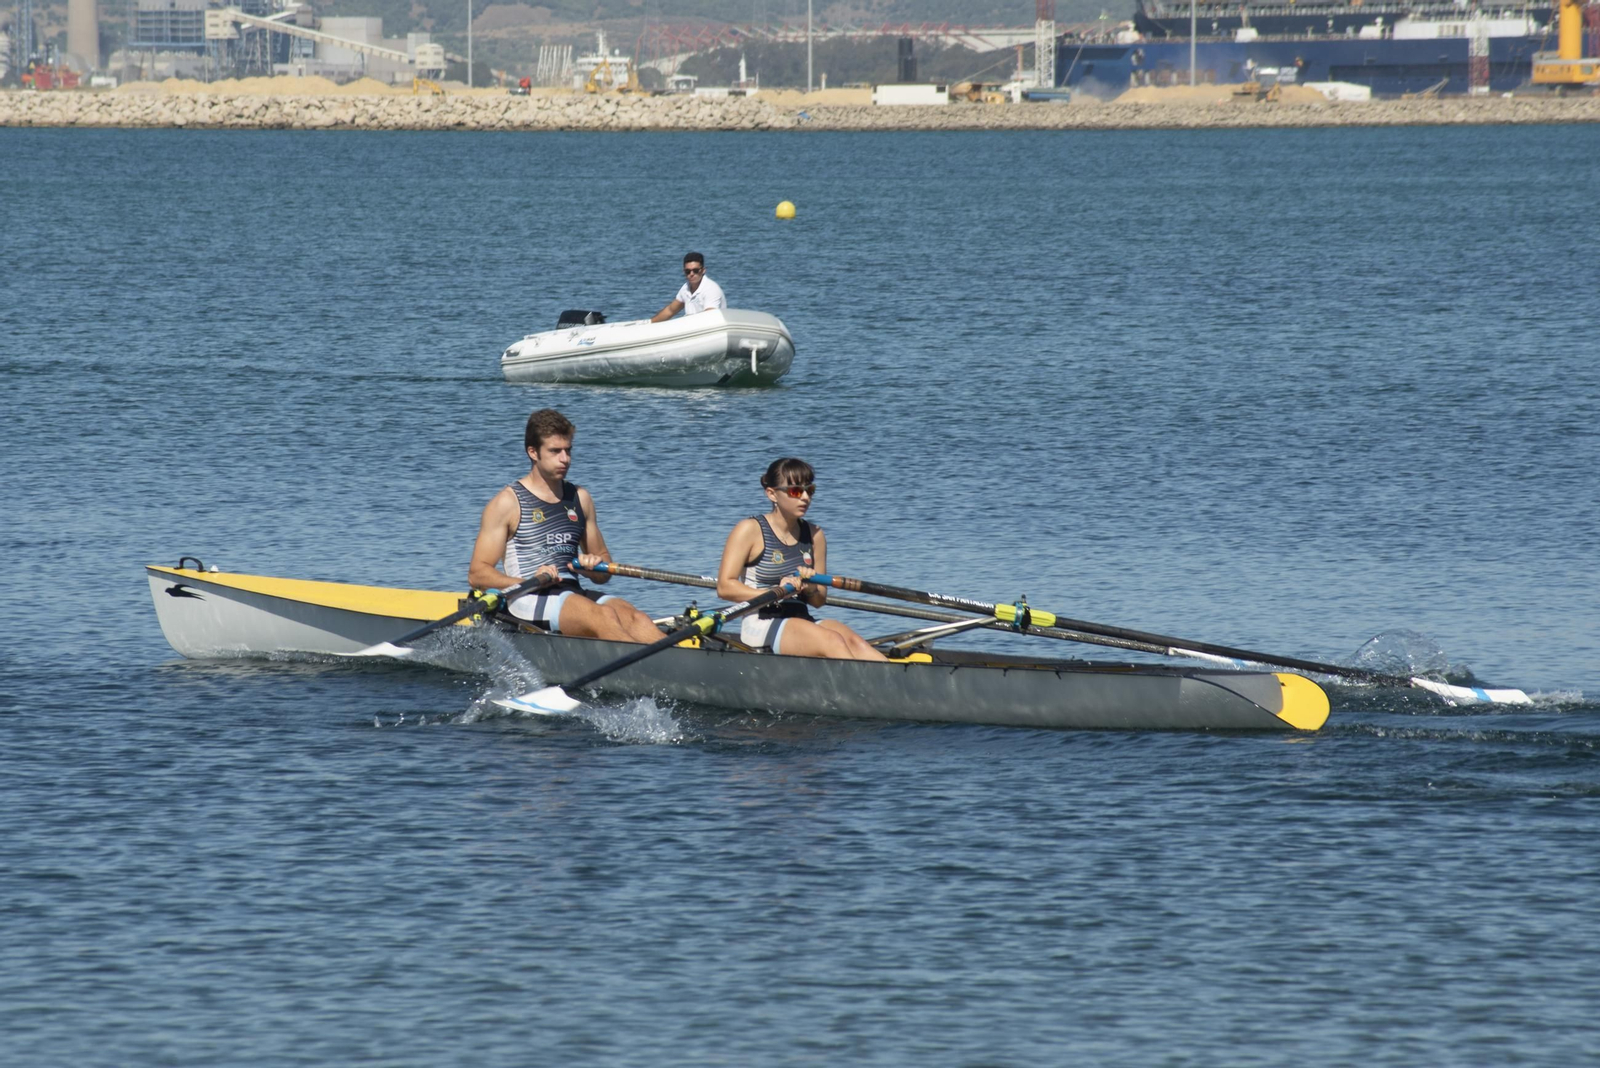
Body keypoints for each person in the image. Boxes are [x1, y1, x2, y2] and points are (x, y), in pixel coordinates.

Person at [469, 408, 662, 644]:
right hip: (529, 596)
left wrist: (591, 567)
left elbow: (603, 572)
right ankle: (644, 673)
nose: (565, 459)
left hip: (572, 594)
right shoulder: (507, 503)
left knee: (637, 618)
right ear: (533, 452)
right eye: (555, 451)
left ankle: (679, 669)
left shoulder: (580, 498)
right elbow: (478, 573)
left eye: (568, 451)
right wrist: (524, 581)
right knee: (602, 616)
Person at [717, 458, 887, 661]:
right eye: (796, 491)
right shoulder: (749, 530)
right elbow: (725, 588)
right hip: (762, 621)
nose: (805, 497)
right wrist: (774, 592)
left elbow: (819, 600)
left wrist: (810, 587)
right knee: (832, 641)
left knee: (856, 644)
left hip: (801, 618)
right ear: (772, 493)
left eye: (810, 490)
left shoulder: (814, 535)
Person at [650, 251, 726, 322]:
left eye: (695, 270)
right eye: (688, 271)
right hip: (691, 328)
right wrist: (650, 323)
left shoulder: (711, 289)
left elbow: (710, 317)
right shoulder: (685, 288)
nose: (691, 274)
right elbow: (670, 310)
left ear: (703, 270)